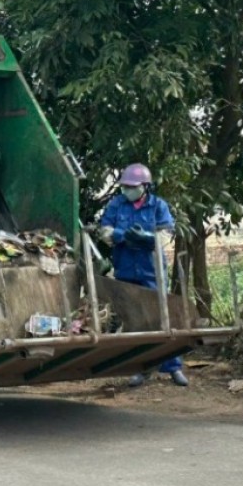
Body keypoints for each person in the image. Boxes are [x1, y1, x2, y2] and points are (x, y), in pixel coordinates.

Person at [98, 163, 188, 387]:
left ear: (145, 187)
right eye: (125, 186)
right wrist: (122, 236)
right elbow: (104, 231)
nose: (127, 190)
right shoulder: (116, 205)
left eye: (132, 186)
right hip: (126, 270)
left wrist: (147, 238)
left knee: (163, 317)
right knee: (136, 321)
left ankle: (173, 367)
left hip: (152, 270)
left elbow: (166, 234)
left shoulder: (158, 206)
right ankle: (143, 368)